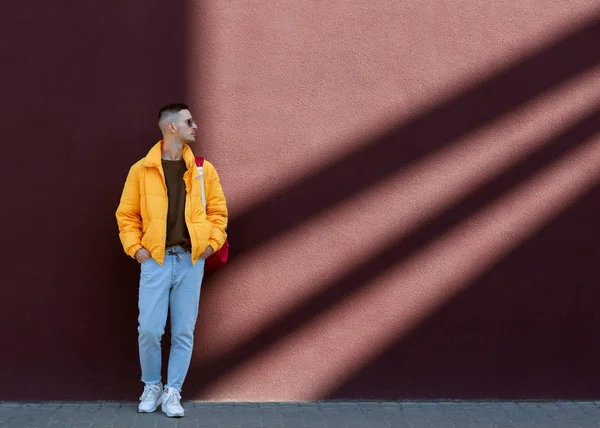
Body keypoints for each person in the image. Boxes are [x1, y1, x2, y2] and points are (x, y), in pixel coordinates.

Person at [116, 103, 227, 417]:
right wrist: (138, 251)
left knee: (183, 332)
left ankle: (173, 391)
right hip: (156, 261)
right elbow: (126, 216)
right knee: (149, 329)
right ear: (171, 127)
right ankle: (151, 384)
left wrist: (208, 247)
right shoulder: (141, 170)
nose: (196, 126)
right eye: (189, 121)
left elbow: (219, 214)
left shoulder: (204, 170)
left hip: (191, 261)